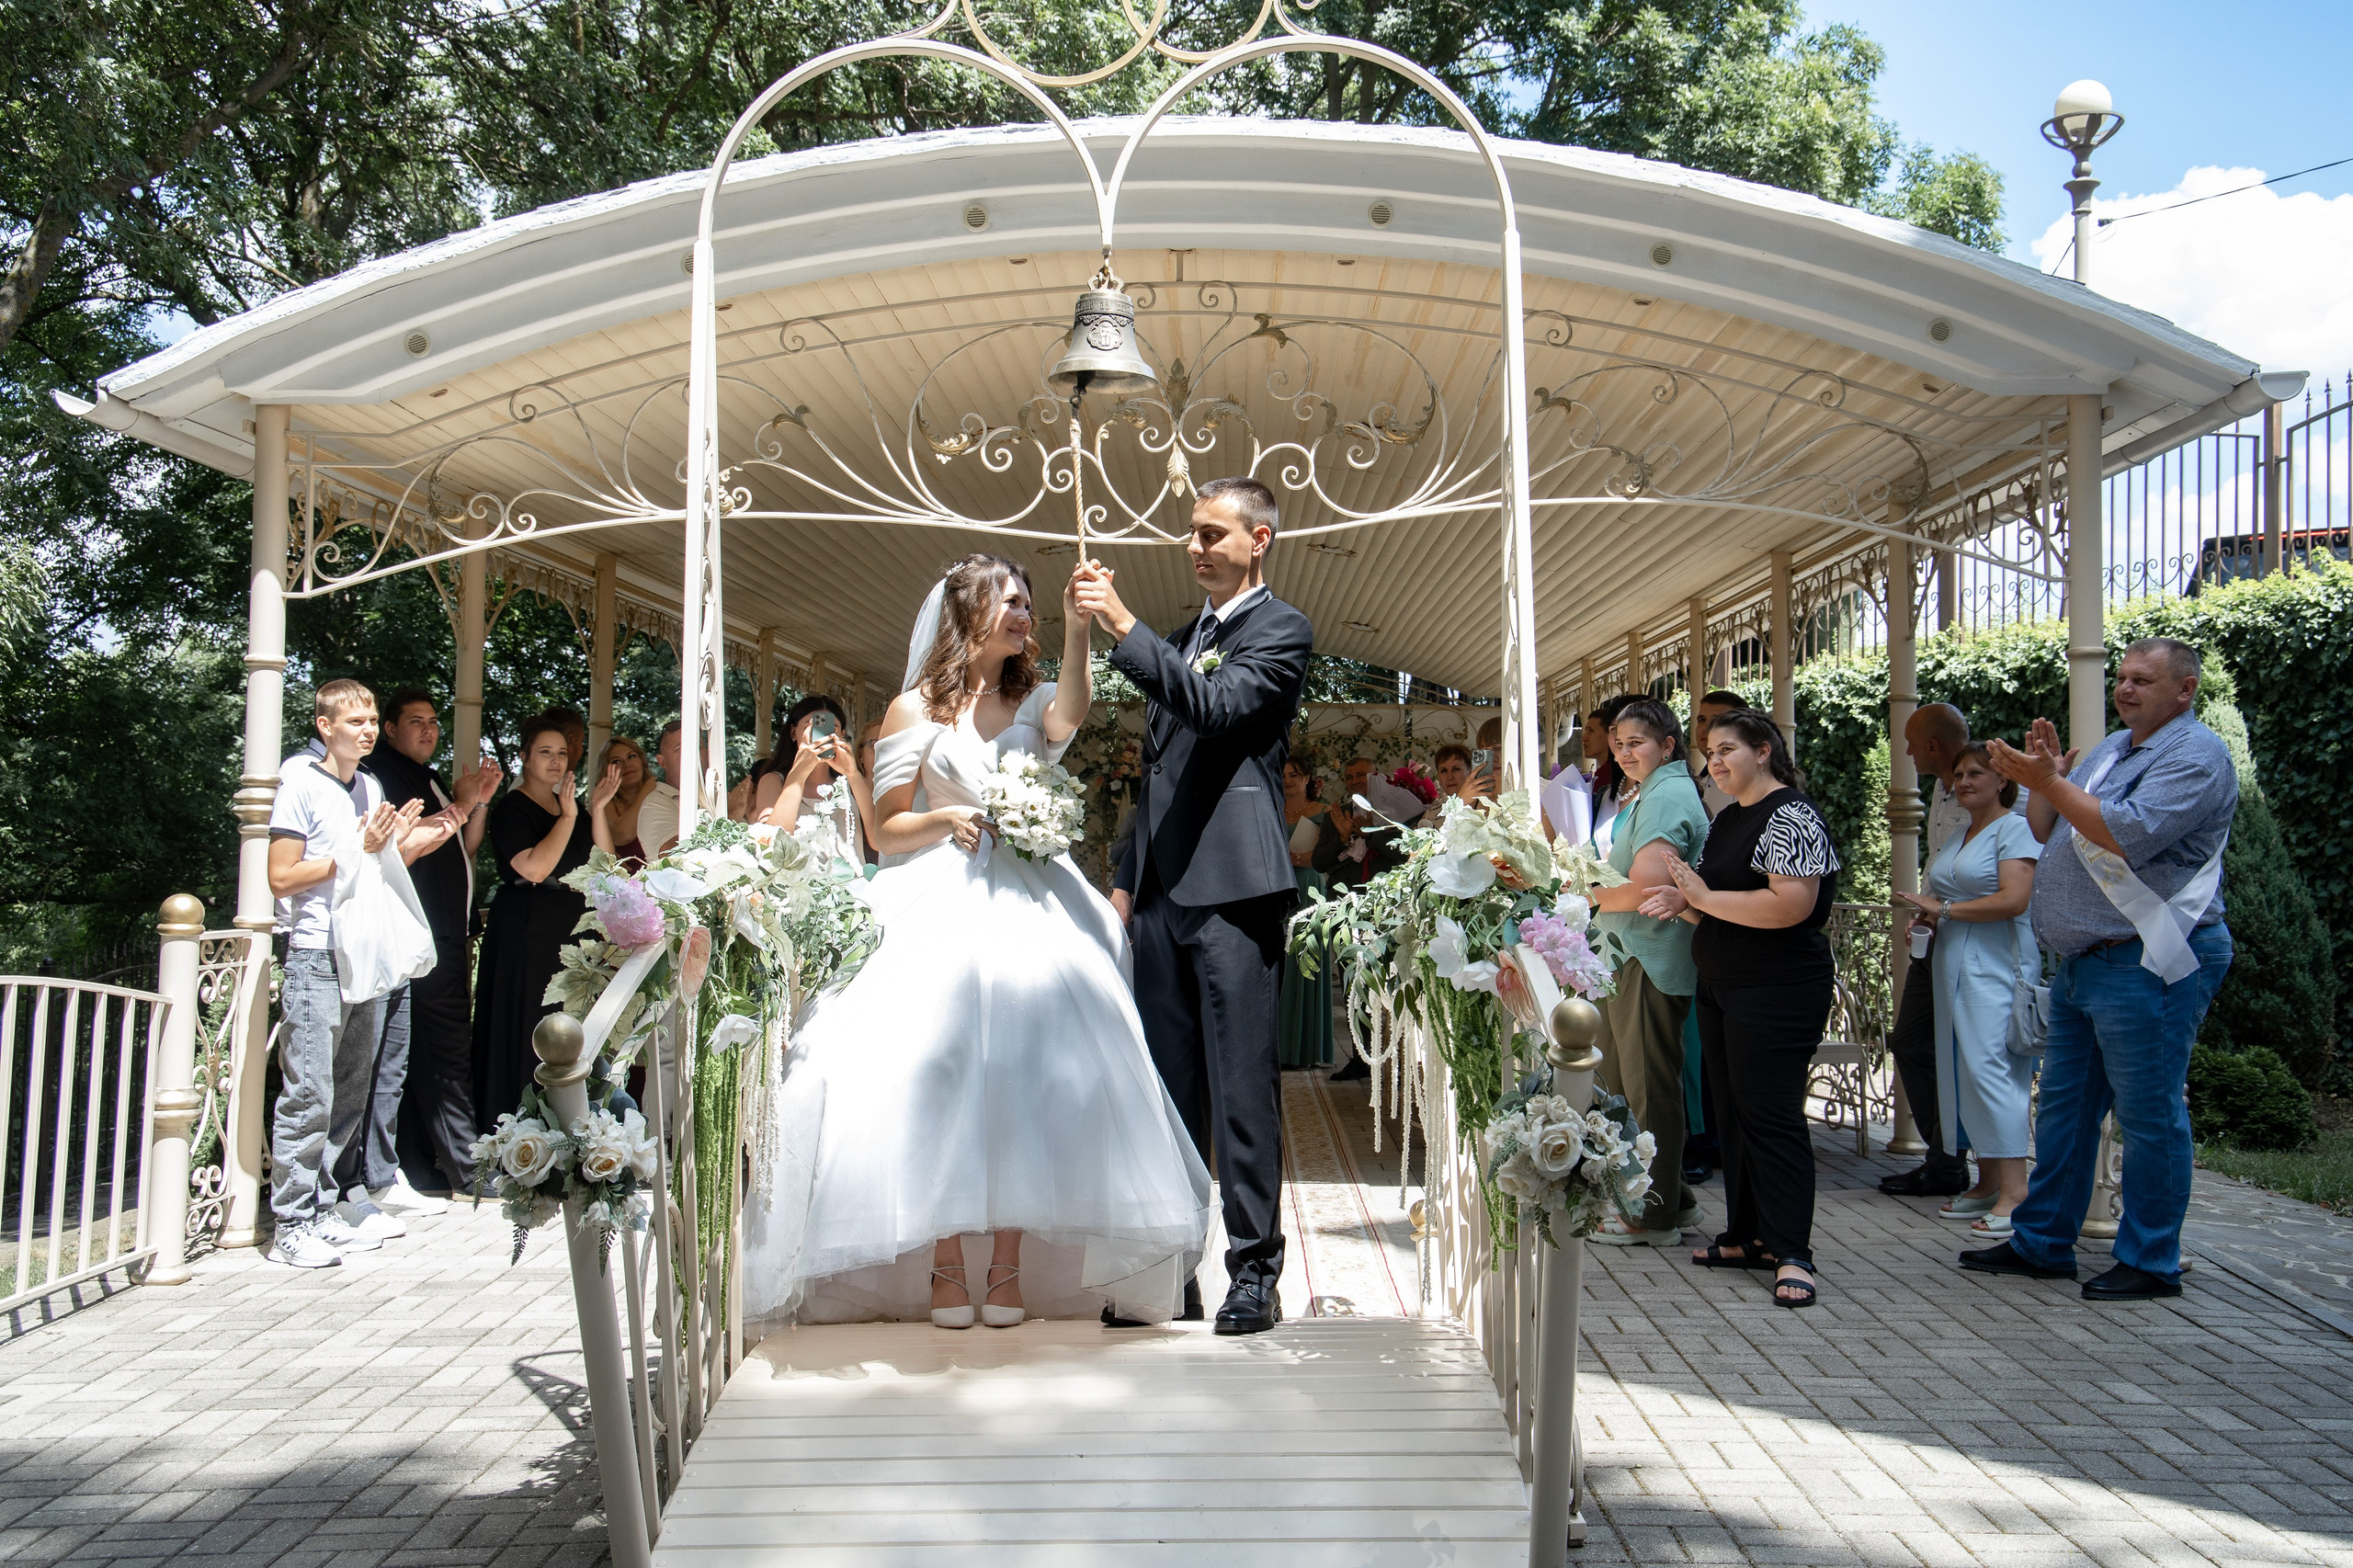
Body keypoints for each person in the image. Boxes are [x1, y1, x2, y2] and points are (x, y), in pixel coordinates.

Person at [743, 553, 1211, 1331]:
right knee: (940, 1070)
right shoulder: (913, 710)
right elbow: (886, 829)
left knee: (1029, 1072)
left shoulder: (1034, 700)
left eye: (1028, 603)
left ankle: (1007, 1266)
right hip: (943, 892)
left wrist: (1079, 628)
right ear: (967, 614)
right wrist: (944, 818)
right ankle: (945, 1262)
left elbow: (1073, 710)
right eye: (1009, 602)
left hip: (1033, 896)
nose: (1023, 614)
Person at [1085, 475, 1314, 1335]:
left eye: (1213, 533)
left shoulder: (1282, 630)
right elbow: (1156, 777)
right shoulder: (1183, 641)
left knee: (1241, 1090)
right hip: (1161, 896)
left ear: (1260, 539)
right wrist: (1125, 879)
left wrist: (1122, 625)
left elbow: (1217, 710)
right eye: (1192, 533)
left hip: (1236, 894)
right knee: (1170, 1091)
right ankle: (1171, 1273)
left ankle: (1254, 1275)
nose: (1196, 547)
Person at [1964, 638, 2236, 1301]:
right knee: (2064, 1109)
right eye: (2122, 677)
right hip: (2089, 960)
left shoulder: (2196, 755)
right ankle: (2042, 1242)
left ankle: (2150, 1260)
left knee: (2148, 1117)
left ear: (2186, 690)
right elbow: (2046, 827)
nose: (2126, 688)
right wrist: (2049, 780)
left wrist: (2050, 781)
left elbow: (2124, 833)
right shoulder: (2114, 748)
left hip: (2149, 957)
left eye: (2144, 679)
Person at [1641, 710, 1839, 1309]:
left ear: (1764, 750)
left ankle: (1793, 1252)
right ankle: (1749, 1236)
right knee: (1732, 1115)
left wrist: (1702, 897)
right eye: (1710, 752)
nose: (1716, 761)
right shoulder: (1728, 818)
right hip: (1723, 985)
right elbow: (1717, 902)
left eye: (1727, 749)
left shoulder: (1793, 815)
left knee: (1771, 1117)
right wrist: (1685, 901)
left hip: (1777, 989)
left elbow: (1790, 906)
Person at [264, 679, 439, 1267]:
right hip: (316, 953)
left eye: (370, 720)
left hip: (364, 951)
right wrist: (358, 848)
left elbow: (372, 865)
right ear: (325, 726)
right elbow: (281, 877)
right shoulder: (299, 782)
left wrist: (390, 843)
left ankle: (325, 1207)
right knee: (309, 1091)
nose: (366, 731)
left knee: (350, 1089)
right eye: (354, 722)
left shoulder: (370, 785)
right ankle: (290, 1224)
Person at [1893, 743, 2041, 1233]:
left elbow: (2015, 899)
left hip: (1997, 963)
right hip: (1953, 960)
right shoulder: (1961, 834)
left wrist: (1944, 910)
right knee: (1962, 1070)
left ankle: (2017, 1193)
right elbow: (1947, 897)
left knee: (1991, 1069)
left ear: (2003, 780)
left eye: (1976, 773)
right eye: (1959, 774)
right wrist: (1929, 918)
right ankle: (1988, 1180)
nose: (1963, 782)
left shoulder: (2015, 827)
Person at [1584, 699, 1711, 1246]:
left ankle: (1650, 1217)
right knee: (1624, 1084)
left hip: (1648, 954)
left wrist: (1581, 892)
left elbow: (1645, 888)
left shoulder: (1666, 794)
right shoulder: (1653, 790)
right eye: (1618, 743)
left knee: (1647, 1088)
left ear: (1668, 745)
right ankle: (1674, 1200)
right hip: (1629, 952)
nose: (1624, 752)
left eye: (1636, 742)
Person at [366, 689, 502, 1200]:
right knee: (443, 1053)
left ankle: (422, 1166)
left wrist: (475, 803)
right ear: (390, 729)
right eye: (415, 721)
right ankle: (468, 1172)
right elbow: (404, 847)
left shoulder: (425, 776)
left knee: (425, 1054)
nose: (428, 730)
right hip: (419, 935)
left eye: (433, 721)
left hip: (447, 932)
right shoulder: (382, 775)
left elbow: (465, 844)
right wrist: (464, 803)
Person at [470, 717, 598, 1135]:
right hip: (525, 931)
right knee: (529, 1022)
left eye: (562, 753)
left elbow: (597, 863)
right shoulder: (512, 808)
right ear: (524, 757)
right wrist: (567, 816)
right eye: (545, 752)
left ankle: (569, 1125)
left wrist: (586, 810)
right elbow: (536, 868)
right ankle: (518, 1128)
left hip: (568, 932)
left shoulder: (572, 807)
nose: (556, 761)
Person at [1879, 701, 1977, 1199]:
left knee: (1970, 1055)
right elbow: (1941, 859)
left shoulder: (1987, 782)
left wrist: (1946, 911)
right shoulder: (1941, 787)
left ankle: (1952, 1163)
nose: (1908, 753)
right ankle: (1946, 1157)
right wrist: (1926, 913)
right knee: (1912, 1042)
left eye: (1912, 744)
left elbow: (2012, 869)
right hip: (1934, 935)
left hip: (1974, 939)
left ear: (1934, 746)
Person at [757, 694, 877, 869]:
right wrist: (798, 774)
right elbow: (771, 845)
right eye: (811, 727)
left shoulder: (854, 782)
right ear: (793, 733)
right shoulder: (774, 781)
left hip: (852, 882)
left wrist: (853, 774)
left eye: (832, 729)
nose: (822, 736)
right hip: (798, 882)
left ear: (842, 735)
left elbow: (878, 841)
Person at [1279, 756, 1345, 1069]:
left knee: (1306, 959)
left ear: (1307, 779)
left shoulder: (1322, 811)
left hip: (1309, 888)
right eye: (1283, 775)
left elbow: (1323, 856)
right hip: (1279, 889)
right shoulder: (1273, 810)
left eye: (1295, 774)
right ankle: (1281, 1048)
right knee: (1281, 961)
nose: (1288, 780)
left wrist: (1293, 857)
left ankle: (1308, 1049)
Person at [588, 734, 656, 866]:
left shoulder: (659, 794)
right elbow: (622, 835)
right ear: (606, 769)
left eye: (631, 756)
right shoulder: (602, 805)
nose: (627, 765)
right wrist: (645, 792)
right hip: (623, 878)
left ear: (642, 761)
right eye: (616, 761)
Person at [1688, 689, 1746, 818]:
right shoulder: (1694, 783)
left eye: (1718, 721)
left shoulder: (1749, 786)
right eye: (1702, 720)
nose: (1706, 728)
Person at [636, 721, 683, 859]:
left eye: (699, 747)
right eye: (680, 749)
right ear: (662, 761)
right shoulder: (655, 803)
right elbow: (672, 856)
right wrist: (731, 816)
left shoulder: (720, 796)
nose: (693, 754)